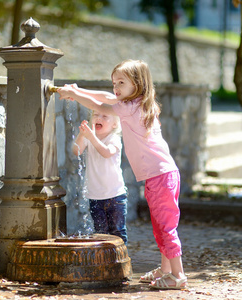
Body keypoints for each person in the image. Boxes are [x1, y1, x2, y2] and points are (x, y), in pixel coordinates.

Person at [58, 59, 188, 290]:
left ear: (137, 84)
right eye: (114, 82)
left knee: (166, 228)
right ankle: (166, 270)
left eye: (121, 82)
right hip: (163, 175)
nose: (115, 87)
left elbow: (104, 106)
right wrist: (78, 90)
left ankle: (177, 276)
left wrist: (74, 95)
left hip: (160, 176)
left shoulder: (130, 107)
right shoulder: (139, 103)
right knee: (161, 226)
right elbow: (105, 97)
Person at [72, 110, 128, 244]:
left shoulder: (114, 138)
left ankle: (121, 261)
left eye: (104, 116)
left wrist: (91, 138)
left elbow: (107, 152)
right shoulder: (89, 137)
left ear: (114, 124)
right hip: (95, 196)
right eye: (96, 115)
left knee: (118, 231)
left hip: (115, 195)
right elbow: (77, 151)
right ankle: (104, 262)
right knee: (100, 233)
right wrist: (81, 135)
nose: (99, 118)